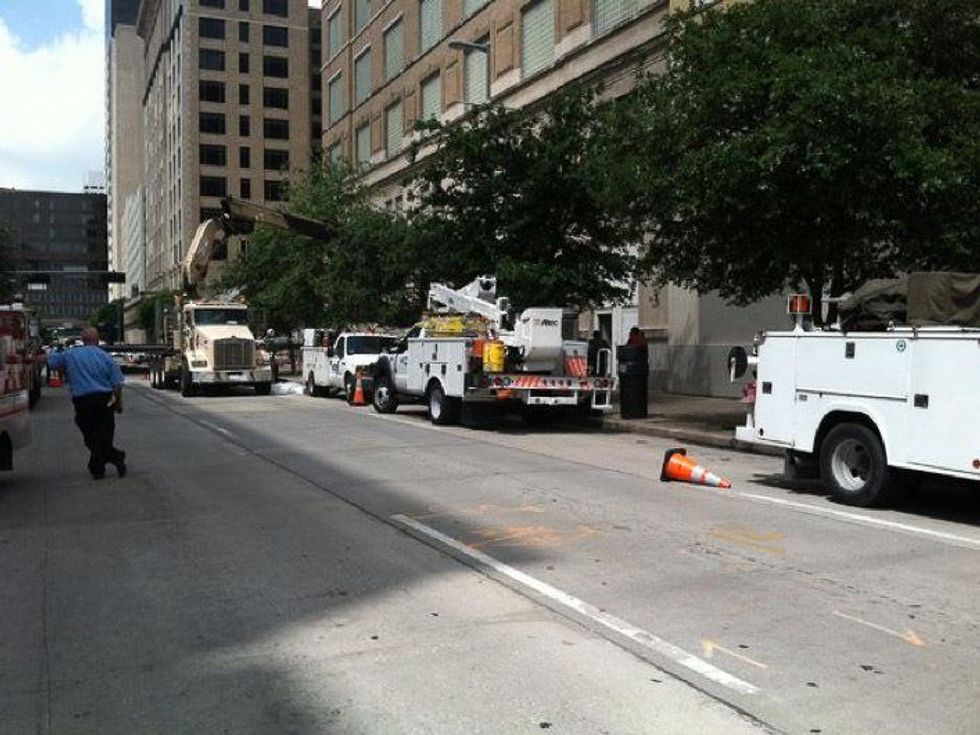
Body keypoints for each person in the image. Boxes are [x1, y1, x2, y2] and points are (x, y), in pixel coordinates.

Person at [47, 327, 127, 480]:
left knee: (91, 437)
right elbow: (117, 384)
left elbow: (52, 362)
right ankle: (115, 457)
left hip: (83, 402)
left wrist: (63, 346)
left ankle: (99, 467)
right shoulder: (106, 357)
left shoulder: (70, 354)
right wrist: (118, 403)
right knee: (104, 436)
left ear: (82, 340)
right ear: (97, 340)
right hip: (104, 401)